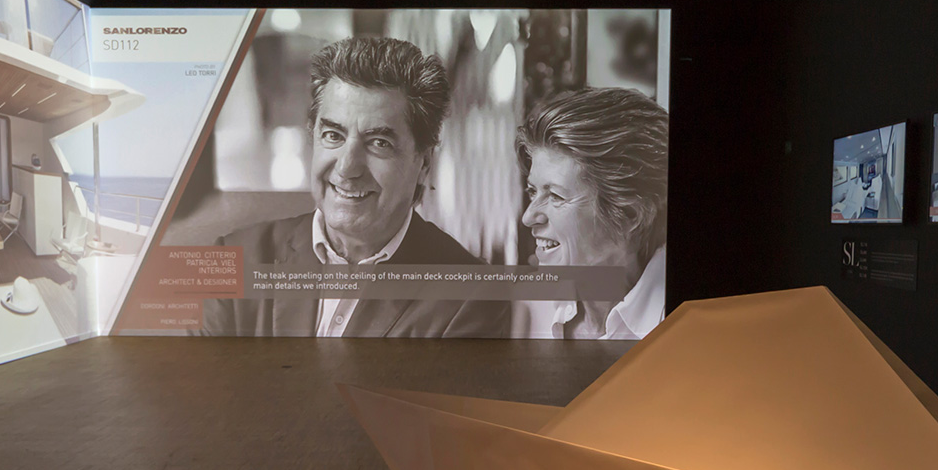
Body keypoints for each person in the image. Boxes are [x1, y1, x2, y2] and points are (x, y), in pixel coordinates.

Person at [203, 36, 510, 337]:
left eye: (379, 143)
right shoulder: (235, 259)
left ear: (424, 164)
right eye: (333, 136)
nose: (347, 168)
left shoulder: (470, 297)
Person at [517, 87, 669, 340]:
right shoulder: (526, 313)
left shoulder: (688, 327)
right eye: (533, 191)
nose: (528, 217)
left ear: (630, 215)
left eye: (556, 196)